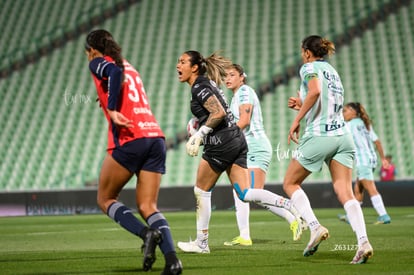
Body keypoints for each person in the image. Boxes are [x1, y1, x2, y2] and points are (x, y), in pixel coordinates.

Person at [175, 50, 303, 253]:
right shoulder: (208, 84)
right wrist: (199, 125)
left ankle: (201, 243)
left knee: (201, 190)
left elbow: (218, 112)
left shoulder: (200, 85)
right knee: (244, 193)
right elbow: (218, 113)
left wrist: (201, 134)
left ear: (194, 67)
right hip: (237, 139)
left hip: (222, 142)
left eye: (182, 62)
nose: (177, 66)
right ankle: (287, 204)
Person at [85, 29, 182, 274]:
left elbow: (112, 74)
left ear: (92, 50)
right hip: (155, 137)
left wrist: (113, 108)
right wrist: (109, 98)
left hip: (131, 137)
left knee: (105, 199)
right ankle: (173, 262)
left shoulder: (100, 62)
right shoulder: (129, 65)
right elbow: (124, 84)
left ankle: (146, 233)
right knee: (148, 206)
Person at [283, 35, 373, 264]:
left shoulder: (308, 67)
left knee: (290, 183)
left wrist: (297, 121)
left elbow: (314, 91)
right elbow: (324, 100)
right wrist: (301, 106)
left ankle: (314, 227)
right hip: (343, 137)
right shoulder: (333, 72)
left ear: (306, 52)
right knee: (345, 192)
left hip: (320, 136)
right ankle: (363, 242)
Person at [223, 64, 305, 246]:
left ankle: (291, 207)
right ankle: (290, 219)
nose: (227, 78)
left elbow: (244, 121)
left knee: (247, 192)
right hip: (248, 147)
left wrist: (224, 137)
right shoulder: (237, 96)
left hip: (255, 147)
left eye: (231, 75)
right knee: (246, 193)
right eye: (224, 76)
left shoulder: (244, 92)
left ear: (241, 77)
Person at [338, 102, 391, 224]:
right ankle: (352, 216)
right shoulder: (365, 124)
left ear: (353, 112)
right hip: (371, 159)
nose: (343, 113)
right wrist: (383, 159)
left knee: (371, 188)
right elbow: (377, 142)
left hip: (363, 160)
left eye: (345, 111)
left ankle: (384, 215)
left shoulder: (350, 125)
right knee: (358, 189)